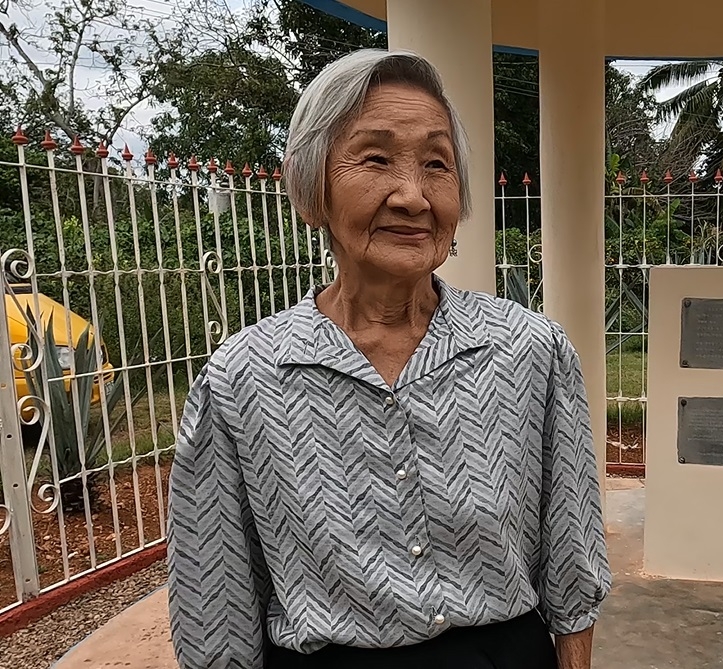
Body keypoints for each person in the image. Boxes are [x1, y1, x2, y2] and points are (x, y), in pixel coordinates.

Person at [166, 48, 611, 669]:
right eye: (375, 158)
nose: (412, 195)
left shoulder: (529, 350)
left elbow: (571, 550)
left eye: (437, 163)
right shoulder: (244, 376)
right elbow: (213, 598)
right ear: (310, 187)